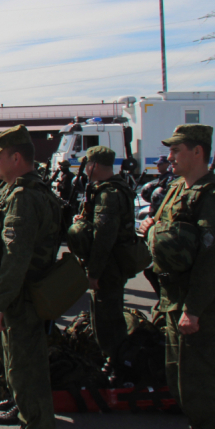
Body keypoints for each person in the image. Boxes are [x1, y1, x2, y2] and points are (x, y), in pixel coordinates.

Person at [139, 124, 215, 429]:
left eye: (177, 150)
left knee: (199, 377)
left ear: (198, 152)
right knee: (179, 375)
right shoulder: (178, 189)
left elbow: (212, 260)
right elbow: (163, 231)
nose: (170, 157)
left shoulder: (214, 197)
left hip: (197, 303)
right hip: (173, 298)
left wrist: (193, 310)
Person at [0, 125, 61, 429]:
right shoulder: (20, 191)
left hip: (24, 298)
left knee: (28, 372)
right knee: (19, 367)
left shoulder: (25, 197)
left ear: (17, 158)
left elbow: (16, 257)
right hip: (22, 296)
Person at [73, 146, 136, 359]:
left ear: (95, 165)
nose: (86, 169)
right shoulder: (116, 187)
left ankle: (116, 363)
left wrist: (94, 272)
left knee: (106, 322)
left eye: (88, 165)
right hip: (116, 262)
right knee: (109, 315)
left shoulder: (108, 194)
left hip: (110, 266)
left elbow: (104, 238)